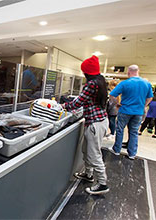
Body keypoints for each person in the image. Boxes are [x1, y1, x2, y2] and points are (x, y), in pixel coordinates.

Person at [62, 55, 109, 195]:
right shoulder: (100, 81)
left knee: (94, 154)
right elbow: (88, 101)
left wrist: (63, 106)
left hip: (95, 123)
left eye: (84, 72)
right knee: (86, 150)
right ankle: (88, 174)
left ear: (88, 72)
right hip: (97, 121)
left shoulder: (92, 84)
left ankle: (102, 183)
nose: (83, 74)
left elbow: (78, 102)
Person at [109, 65, 153, 159]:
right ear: (138, 71)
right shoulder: (147, 84)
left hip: (125, 110)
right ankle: (132, 154)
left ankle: (117, 150)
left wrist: (117, 104)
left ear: (129, 72)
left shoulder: (125, 83)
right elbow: (150, 97)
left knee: (120, 130)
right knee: (134, 132)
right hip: (138, 112)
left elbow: (112, 95)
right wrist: (144, 105)